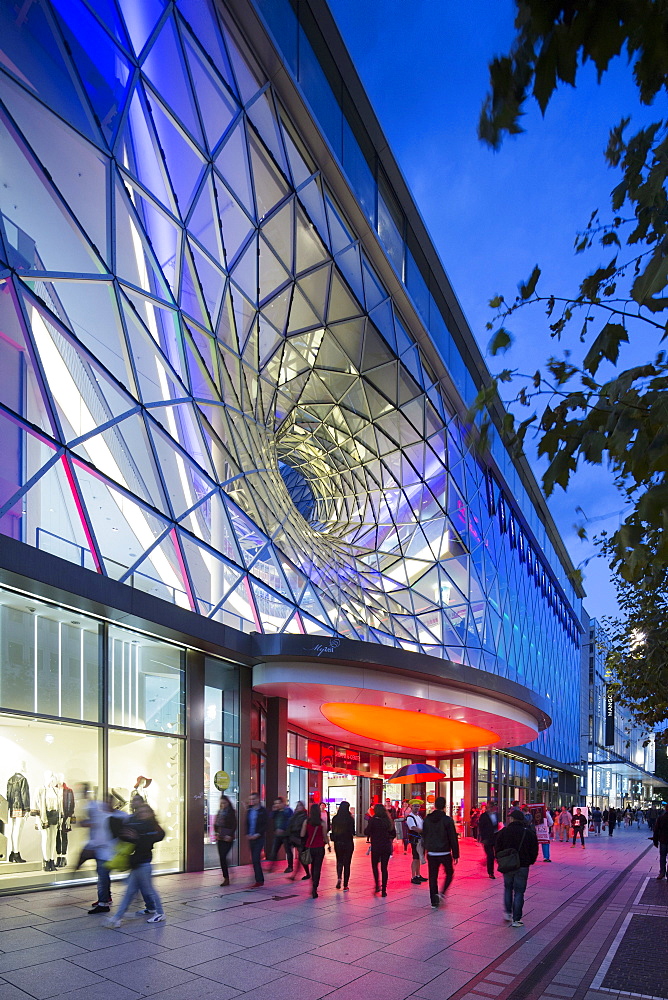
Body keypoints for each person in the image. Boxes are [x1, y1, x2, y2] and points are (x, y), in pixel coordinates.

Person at [105, 803, 165, 926]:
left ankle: (159, 913)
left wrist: (136, 838)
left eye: (145, 812)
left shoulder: (151, 827)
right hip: (137, 863)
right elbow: (125, 837)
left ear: (150, 814)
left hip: (144, 863)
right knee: (130, 892)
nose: (142, 814)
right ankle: (117, 917)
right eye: (140, 811)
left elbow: (146, 844)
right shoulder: (137, 824)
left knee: (149, 891)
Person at [82, 793, 127, 914]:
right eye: (105, 801)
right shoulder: (101, 815)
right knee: (103, 877)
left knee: (103, 878)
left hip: (113, 852)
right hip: (101, 852)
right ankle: (104, 899)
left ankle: (104, 902)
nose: (106, 804)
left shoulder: (120, 816)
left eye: (108, 801)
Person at [494, 808, 539, 927]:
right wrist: (530, 861)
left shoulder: (504, 831)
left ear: (512, 819)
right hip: (523, 865)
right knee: (519, 892)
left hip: (508, 864)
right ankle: (516, 919)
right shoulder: (528, 832)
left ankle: (507, 913)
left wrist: (500, 859)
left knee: (508, 887)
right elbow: (534, 849)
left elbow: (497, 847)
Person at [423, 795, 459, 907]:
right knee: (449, 873)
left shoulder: (427, 819)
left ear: (435, 805)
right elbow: (453, 837)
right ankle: (442, 893)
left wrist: (426, 849)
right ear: (444, 806)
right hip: (444, 852)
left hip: (432, 852)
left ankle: (434, 901)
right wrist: (456, 854)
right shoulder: (447, 820)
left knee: (433, 876)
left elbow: (425, 835)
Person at [364, 803, 395, 896]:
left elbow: (366, 832)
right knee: (384, 868)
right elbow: (393, 833)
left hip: (376, 846)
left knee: (375, 866)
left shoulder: (373, 820)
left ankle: (377, 885)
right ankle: (384, 890)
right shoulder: (388, 821)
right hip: (386, 846)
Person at [301, 803, 328, 898]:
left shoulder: (306, 822)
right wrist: (328, 844)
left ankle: (312, 883)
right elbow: (325, 837)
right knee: (317, 868)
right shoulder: (322, 823)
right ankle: (314, 887)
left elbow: (302, 834)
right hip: (320, 848)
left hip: (310, 847)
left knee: (312, 867)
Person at [331, 800, 355, 890]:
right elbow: (353, 832)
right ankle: (345, 884)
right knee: (347, 863)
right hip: (348, 842)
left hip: (338, 843)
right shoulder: (350, 819)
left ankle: (339, 878)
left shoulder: (335, 818)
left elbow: (333, 831)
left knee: (339, 861)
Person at [246, 792, 268, 887]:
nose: (252, 801)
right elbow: (246, 823)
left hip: (259, 838)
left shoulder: (263, 811)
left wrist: (258, 834)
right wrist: (247, 834)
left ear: (258, 799)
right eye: (251, 799)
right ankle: (258, 879)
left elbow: (265, 824)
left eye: (254, 799)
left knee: (255, 858)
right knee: (254, 859)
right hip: (251, 837)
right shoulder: (249, 810)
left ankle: (259, 880)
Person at [214, 795, 237, 886]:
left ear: (228, 803)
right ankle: (226, 878)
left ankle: (226, 878)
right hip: (220, 838)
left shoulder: (231, 813)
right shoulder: (219, 812)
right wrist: (216, 833)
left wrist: (230, 835)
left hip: (228, 838)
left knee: (223, 856)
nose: (223, 805)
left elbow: (234, 825)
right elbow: (215, 824)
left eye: (224, 803)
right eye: (221, 803)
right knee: (222, 858)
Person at [269, 797, 293, 873]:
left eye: (278, 803)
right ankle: (272, 866)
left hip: (286, 835)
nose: (277, 805)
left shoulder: (288, 810)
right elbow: (270, 817)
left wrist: (283, 829)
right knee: (274, 850)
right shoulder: (277, 811)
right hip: (278, 835)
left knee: (288, 851)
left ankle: (290, 867)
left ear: (283, 803)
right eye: (275, 803)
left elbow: (290, 821)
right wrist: (273, 811)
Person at [405, 801, 426, 885]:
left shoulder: (418, 816)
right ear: (411, 807)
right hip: (415, 840)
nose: (417, 807)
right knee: (415, 858)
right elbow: (413, 827)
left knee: (418, 857)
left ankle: (418, 875)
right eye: (415, 806)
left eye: (418, 806)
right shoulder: (410, 817)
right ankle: (413, 876)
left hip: (419, 839)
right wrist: (423, 831)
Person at [287, 801, 309, 881]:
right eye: (298, 806)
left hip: (301, 839)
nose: (298, 807)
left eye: (300, 806)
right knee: (301, 858)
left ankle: (295, 875)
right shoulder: (295, 815)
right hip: (294, 838)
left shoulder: (304, 816)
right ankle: (307, 873)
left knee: (301, 858)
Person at [477, 802, 499, 879]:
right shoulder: (483, 816)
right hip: (487, 838)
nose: (491, 808)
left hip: (495, 837)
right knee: (490, 855)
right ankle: (490, 872)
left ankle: (491, 866)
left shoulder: (496, 815)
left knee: (496, 854)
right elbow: (481, 827)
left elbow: (497, 825)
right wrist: (481, 838)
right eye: (489, 807)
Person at [652, 802, 668, 880]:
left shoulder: (661, 818)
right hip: (664, 840)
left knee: (662, 857)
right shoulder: (661, 818)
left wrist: (655, 840)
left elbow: (656, 830)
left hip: (663, 840)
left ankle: (662, 872)